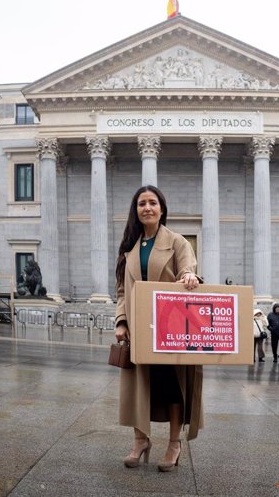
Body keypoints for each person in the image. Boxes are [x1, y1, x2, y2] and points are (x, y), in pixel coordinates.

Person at [114, 185, 203, 472]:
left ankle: (174, 444)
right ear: (136, 210)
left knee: (172, 387)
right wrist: (121, 321)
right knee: (141, 387)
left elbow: (189, 269)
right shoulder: (129, 246)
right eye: (142, 203)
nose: (147, 208)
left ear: (162, 209)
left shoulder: (177, 242)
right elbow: (120, 291)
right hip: (139, 330)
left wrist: (189, 276)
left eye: (153, 203)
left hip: (170, 331)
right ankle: (140, 441)